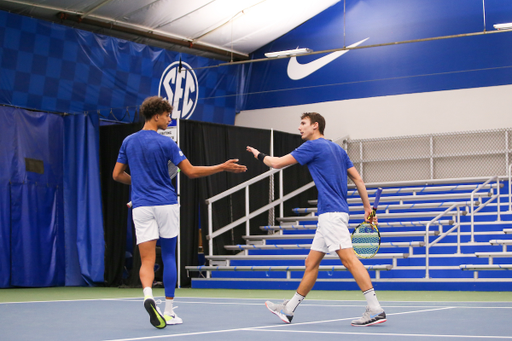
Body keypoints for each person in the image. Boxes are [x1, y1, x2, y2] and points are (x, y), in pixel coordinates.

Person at [113, 96, 247, 329]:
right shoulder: (167, 143)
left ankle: (147, 296)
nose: (169, 119)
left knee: (146, 259)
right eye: (167, 115)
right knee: (167, 256)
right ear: (156, 116)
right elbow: (192, 172)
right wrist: (222, 166)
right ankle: (168, 311)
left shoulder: (128, 141)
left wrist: (139, 186)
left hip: (142, 206)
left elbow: (116, 175)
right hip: (165, 204)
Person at [246, 112, 386, 327]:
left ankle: (375, 308)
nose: (300, 128)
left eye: (303, 124)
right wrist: (367, 207)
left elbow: (276, 163)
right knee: (311, 263)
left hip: (331, 213)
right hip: (332, 213)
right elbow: (358, 178)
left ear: (315, 126)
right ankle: (289, 309)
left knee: (349, 259)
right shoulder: (339, 149)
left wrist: (258, 154)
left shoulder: (312, 146)